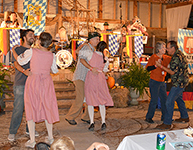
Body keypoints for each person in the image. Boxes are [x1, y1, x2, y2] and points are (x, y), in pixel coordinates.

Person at [12, 32, 60, 148]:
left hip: (33, 82)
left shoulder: (32, 51)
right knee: (48, 107)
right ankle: (51, 137)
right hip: (47, 83)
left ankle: (32, 140)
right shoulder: (51, 55)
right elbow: (55, 70)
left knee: (31, 107)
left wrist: (14, 50)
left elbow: (20, 61)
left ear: (39, 41)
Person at [8, 29, 39, 141]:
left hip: (32, 83)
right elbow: (16, 63)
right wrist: (23, 71)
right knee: (18, 108)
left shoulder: (35, 51)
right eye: (30, 35)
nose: (33, 37)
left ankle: (29, 129)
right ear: (24, 37)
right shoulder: (18, 49)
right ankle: (12, 131)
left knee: (32, 108)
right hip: (21, 83)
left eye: (33, 35)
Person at [65, 32, 100, 125]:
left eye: (98, 39)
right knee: (80, 98)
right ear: (91, 40)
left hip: (87, 78)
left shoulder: (91, 48)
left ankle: (86, 116)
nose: (98, 40)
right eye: (96, 39)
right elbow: (82, 60)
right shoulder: (86, 48)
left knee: (89, 97)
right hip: (81, 77)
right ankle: (70, 116)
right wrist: (91, 68)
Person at [155, 41, 189, 129]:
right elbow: (175, 67)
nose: (166, 49)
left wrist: (160, 66)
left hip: (179, 82)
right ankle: (184, 117)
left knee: (169, 102)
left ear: (173, 48)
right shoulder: (179, 54)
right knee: (179, 99)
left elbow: (172, 72)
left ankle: (167, 123)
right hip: (183, 81)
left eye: (168, 48)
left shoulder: (176, 57)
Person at [85, 41, 114, 131]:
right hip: (100, 78)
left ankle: (92, 122)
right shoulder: (105, 58)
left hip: (91, 77)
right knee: (102, 101)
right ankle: (103, 122)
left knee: (90, 101)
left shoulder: (91, 54)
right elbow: (105, 70)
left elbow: (84, 60)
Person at [145, 41, 171, 124]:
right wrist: (156, 66)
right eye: (163, 47)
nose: (165, 49)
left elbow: (173, 61)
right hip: (154, 81)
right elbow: (148, 68)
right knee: (154, 100)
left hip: (162, 82)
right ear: (158, 49)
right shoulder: (153, 57)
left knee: (164, 100)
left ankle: (164, 117)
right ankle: (149, 117)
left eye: (165, 47)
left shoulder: (167, 57)